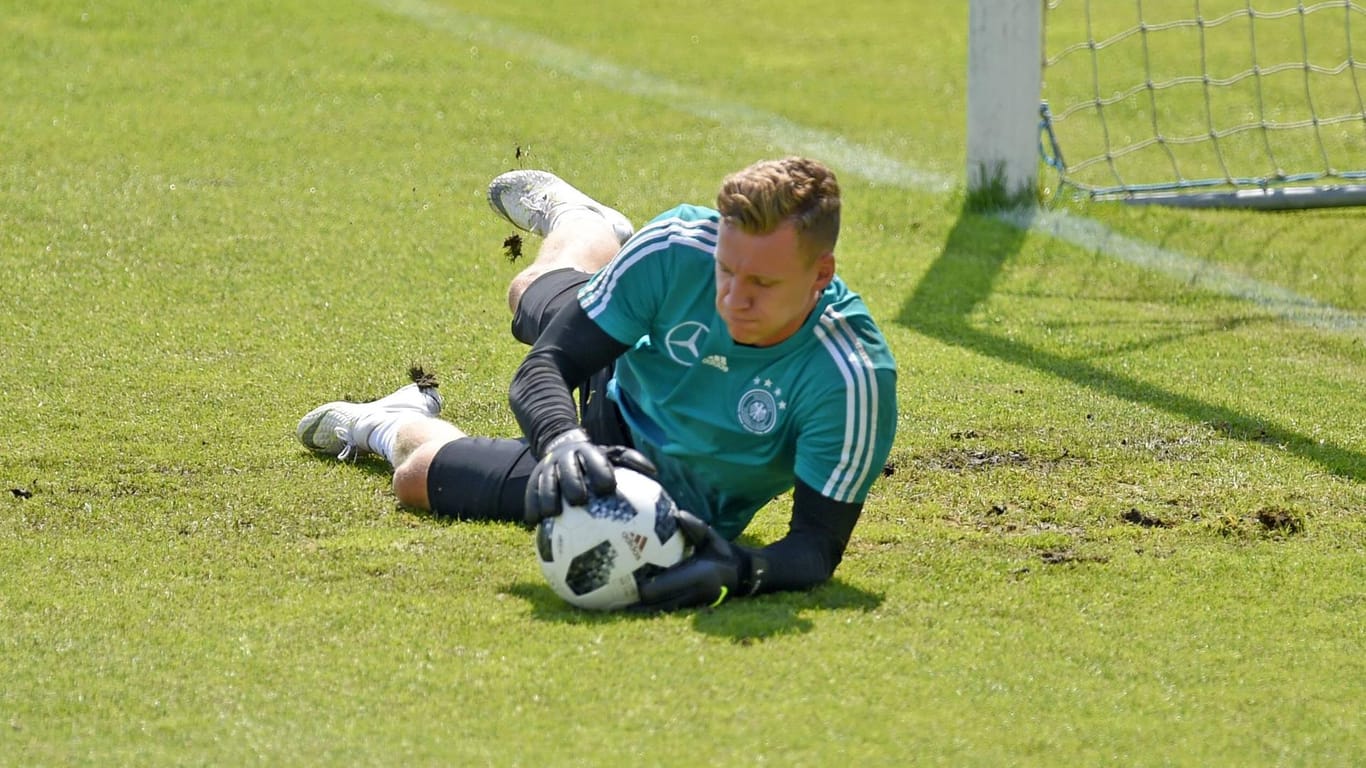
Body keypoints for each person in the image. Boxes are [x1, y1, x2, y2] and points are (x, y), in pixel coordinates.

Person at [296, 157, 898, 611]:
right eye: (726, 270)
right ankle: (585, 225)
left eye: (762, 284)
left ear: (821, 273)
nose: (733, 299)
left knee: (415, 478)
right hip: (615, 407)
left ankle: (393, 418)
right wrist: (562, 443)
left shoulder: (851, 378)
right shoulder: (676, 251)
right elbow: (545, 367)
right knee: (529, 295)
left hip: (676, 505)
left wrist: (743, 570)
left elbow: (817, 544)